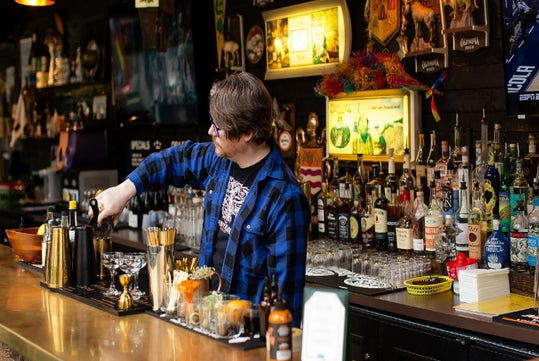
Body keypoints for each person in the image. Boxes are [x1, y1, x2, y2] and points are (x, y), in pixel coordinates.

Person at [92, 72, 310, 326]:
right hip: (203, 325)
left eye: (217, 126)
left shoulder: (285, 200)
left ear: (247, 133)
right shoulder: (218, 161)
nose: (210, 131)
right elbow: (172, 160)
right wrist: (122, 192)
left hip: (246, 343)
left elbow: (286, 307)